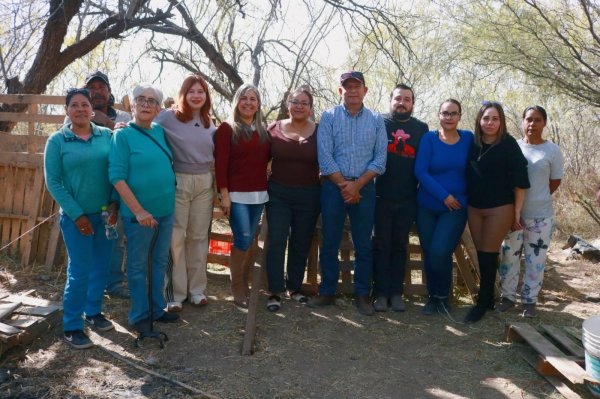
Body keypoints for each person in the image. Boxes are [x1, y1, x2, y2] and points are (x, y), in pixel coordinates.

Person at [308, 71, 387, 316]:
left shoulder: (376, 120)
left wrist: (358, 185)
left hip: (364, 188)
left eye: (357, 86)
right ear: (340, 91)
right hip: (334, 188)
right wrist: (345, 185)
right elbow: (325, 155)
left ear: (365, 90)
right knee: (330, 241)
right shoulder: (329, 117)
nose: (352, 91)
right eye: (347, 87)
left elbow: (380, 158)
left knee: (363, 244)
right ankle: (327, 291)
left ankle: (362, 294)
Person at [44, 88, 117, 349]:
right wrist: (77, 215)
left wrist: (115, 204)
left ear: (92, 109)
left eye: (84, 104)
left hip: (105, 215)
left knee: (101, 267)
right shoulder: (57, 141)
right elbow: (53, 182)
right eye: (74, 105)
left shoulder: (107, 136)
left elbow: (116, 171)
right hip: (76, 219)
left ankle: (93, 311)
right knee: (79, 271)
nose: (80, 109)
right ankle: (72, 325)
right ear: (67, 111)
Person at [109, 83, 180, 333]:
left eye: (152, 101)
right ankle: (140, 315)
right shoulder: (122, 136)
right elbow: (116, 176)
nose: (147, 104)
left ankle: (157, 309)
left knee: (159, 262)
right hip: (140, 216)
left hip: (165, 210)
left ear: (159, 108)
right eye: (142, 99)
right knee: (138, 266)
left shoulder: (159, 131)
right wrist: (138, 211)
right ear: (133, 105)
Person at [464, 101, 530, 323]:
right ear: (479, 121)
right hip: (474, 208)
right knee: (481, 252)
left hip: (500, 208)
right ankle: (489, 298)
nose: (490, 123)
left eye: (495, 118)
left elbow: (521, 182)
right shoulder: (472, 143)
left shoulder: (509, 145)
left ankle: (483, 303)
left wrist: (516, 213)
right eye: (486, 118)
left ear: (501, 122)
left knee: (488, 254)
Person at [155, 75, 216, 312]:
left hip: (205, 182)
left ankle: (197, 290)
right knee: (176, 237)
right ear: (184, 94)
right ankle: (175, 294)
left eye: (201, 91)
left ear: (206, 96)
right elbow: (144, 123)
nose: (196, 95)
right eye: (191, 91)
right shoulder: (169, 117)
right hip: (179, 179)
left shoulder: (209, 122)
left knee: (199, 237)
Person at [497, 106, 564, 317]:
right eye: (528, 119)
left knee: (535, 261)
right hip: (511, 214)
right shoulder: (512, 146)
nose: (532, 124)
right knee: (509, 257)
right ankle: (507, 297)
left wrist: (536, 198)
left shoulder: (552, 151)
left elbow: (554, 182)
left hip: (540, 216)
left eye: (537, 120)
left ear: (544, 123)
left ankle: (529, 301)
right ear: (522, 122)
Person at [372, 84, 429, 312]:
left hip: (408, 198)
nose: (402, 103)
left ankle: (396, 293)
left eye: (407, 99)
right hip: (380, 196)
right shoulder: (379, 123)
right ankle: (380, 293)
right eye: (398, 98)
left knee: (399, 246)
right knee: (380, 245)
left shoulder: (421, 129)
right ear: (390, 101)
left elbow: (426, 164)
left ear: (413, 103)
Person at [414, 99, 473, 316]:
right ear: (438, 115)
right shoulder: (429, 139)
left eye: (453, 113)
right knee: (430, 251)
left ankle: (443, 295)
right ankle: (433, 298)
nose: (449, 117)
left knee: (440, 250)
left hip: (455, 207)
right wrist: (443, 195)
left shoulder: (468, 138)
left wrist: (450, 199)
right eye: (445, 113)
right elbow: (420, 171)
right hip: (426, 206)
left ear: (460, 116)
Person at [214, 83, 270, 308]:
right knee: (243, 238)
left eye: (253, 99)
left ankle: (246, 283)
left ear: (258, 104)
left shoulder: (263, 130)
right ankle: (237, 286)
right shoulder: (227, 129)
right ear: (237, 101)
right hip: (236, 195)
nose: (248, 102)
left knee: (251, 239)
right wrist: (224, 195)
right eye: (244, 98)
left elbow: (266, 158)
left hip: (259, 195)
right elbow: (221, 165)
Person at [264, 87, 320, 312]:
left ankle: (294, 288)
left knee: (301, 242)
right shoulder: (272, 130)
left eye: (304, 103)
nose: (299, 106)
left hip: (309, 194)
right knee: (277, 240)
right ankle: (275, 291)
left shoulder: (320, 131)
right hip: (278, 194)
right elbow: (257, 159)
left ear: (310, 107)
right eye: (295, 101)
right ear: (288, 104)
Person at [84, 70, 132, 299]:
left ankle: (113, 283)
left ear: (109, 91)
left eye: (101, 87)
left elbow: (130, 144)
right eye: (92, 87)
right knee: (86, 240)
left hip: (116, 189)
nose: (97, 91)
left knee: (115, 238)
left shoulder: (123, 116)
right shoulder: (77, 115)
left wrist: (108, 123)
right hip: (86, 190)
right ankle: (90, 285)